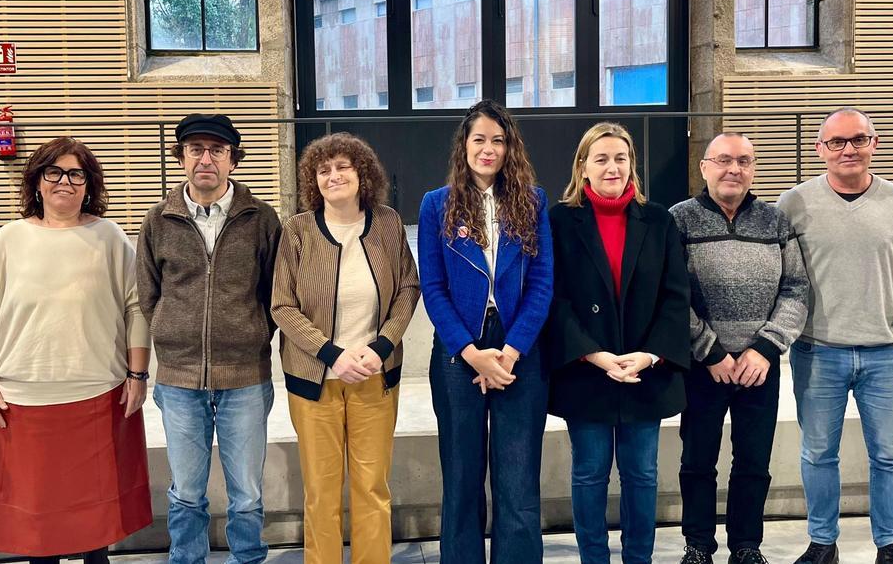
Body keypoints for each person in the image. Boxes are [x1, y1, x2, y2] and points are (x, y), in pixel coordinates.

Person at [0, 136, 152, 564]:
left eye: (75, 174)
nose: (64, 182)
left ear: (89, 184)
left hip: (98, 398)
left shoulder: (108, 237)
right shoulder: (9, 239)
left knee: (95, 533)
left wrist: (138, 374)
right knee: (39, 536)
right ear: (37, 182)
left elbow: (136, 307)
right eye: (53, 172)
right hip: (24, 402)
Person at [779, 108, 893, 564]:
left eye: (858, 139)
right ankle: (822, 543)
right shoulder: (794, 203)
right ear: (819, 149)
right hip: (818, 352)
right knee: (817, 454)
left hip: (886, 355)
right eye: (837, 142)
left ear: (874, 143)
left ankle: (890, 546)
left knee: (890, 456)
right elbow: (783, 274)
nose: (848, 149)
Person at [137, 113, 282, 564]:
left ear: (232, 160)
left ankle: (248, 559)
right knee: (186, 493)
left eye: (217, 150)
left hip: (245, 379)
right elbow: (148, 293)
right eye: (195, 149)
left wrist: (251, 332)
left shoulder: (260, 219)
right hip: (179, 382)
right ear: (180, 157)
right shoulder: (159, 220)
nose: (206, 159)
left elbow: (276, 291)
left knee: (246, 494)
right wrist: (170, 330)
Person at [543, 121, 690, 564]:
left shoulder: (659, 220)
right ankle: (594, 559)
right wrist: (595, 355)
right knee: (588, 474)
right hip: (587, 369)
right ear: (582, 166)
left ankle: (638, 559)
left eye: (620, 158)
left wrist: (648, 355)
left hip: (644, 371)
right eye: (601, 158)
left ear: (632, 166)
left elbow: (675, 295)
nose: (612, 167)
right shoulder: (559, 220)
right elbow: (554, 298)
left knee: (642, 475)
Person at [271, 132, 420, 564]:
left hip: (375, 376)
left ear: (362, 173)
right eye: (323, 170)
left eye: (343, 167)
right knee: (321, 491)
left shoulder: (388, 223)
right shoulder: (297, 230)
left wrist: (382, 346)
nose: (333, 176)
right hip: (314, 382)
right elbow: (282, 305)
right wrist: (332, 354)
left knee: (372, 488)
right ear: (312, 181)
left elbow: (408, 288)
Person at [417, 100, 553, 564]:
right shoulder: (437, 204)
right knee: (461, 476)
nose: (489, 149)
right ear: (465, 145)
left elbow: (542, 282)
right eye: (480, 139)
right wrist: (472, 353)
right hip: (460, 350)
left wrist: (511, 352)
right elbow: (433, 288)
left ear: (509, 146)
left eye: (498, 140)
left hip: (520, 347)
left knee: (517, 478)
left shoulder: (533, 201)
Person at [669, 133, 809, 564]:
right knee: (697, 461)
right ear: (705, 167)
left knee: (753, 464)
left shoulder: (775, 221)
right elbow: (670, 294)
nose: (735, 169)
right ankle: (698, 546)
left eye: (744, 161)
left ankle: (746, 546)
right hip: (702, 367)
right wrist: (709, 351)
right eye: (725, 160)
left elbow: (797, 289)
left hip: (757, 368)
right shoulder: (680, 220)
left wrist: (765, 349)